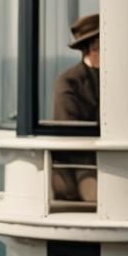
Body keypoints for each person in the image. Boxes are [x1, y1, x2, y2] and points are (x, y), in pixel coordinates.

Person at [51, 13, 100, 202]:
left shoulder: (116, 79)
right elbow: (69, 128)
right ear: (94, 45)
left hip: (114, 161)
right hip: (81, 165)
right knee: (99, 198)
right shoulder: (69, 82)